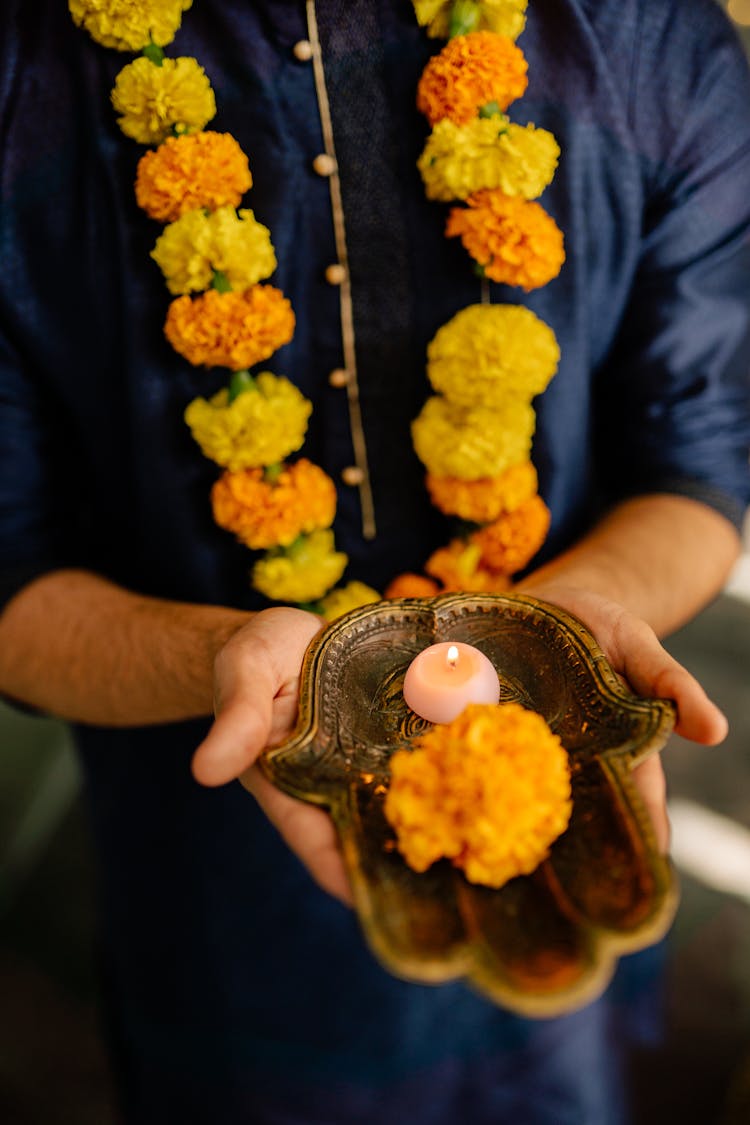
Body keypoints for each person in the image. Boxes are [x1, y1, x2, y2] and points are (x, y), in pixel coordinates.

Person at [0, 0, 748, 1121]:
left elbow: (703, 459)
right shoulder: (20, 73)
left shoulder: (645, 34)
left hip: (562, 800)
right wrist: (215, 657)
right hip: (221, 887)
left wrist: (574, 621)